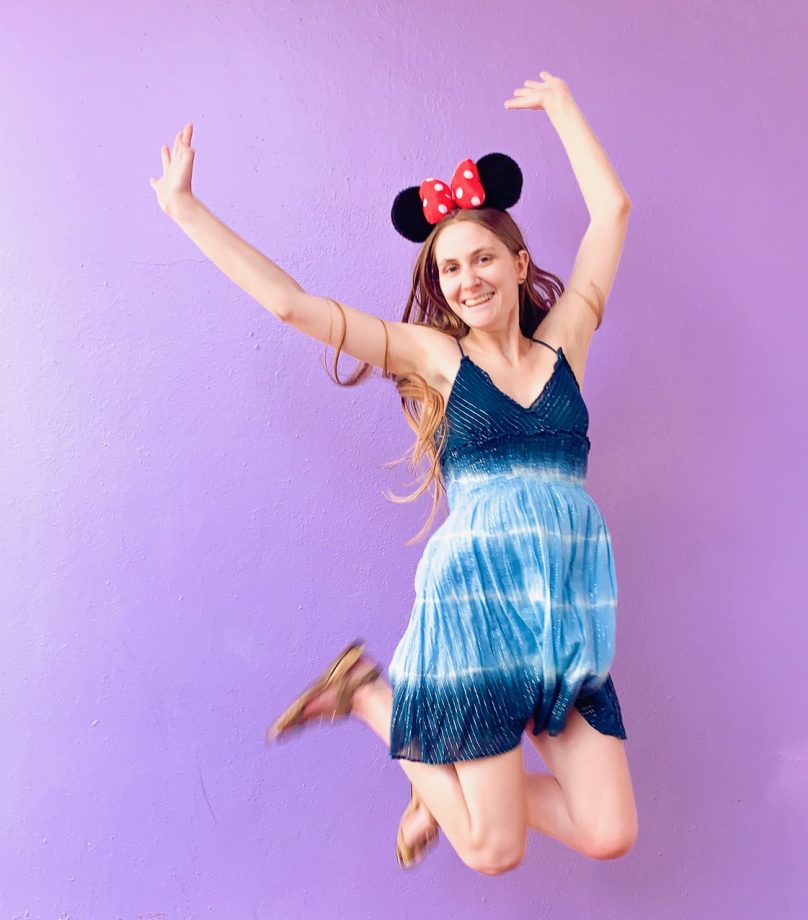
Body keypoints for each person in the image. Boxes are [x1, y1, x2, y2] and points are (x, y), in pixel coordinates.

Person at [150, 71, 638, 875]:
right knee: (492, 849)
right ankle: (370, 695)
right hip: (477, 608)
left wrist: (561, 108)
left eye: (483, 258)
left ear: (519, 263)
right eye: (449, 269)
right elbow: (293, 307)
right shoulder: (436, 357)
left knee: (608, 832)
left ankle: (438, 781)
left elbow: (611, 213)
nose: (467, 279)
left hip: (565, 606)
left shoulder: (566, 346)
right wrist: (185, 209)